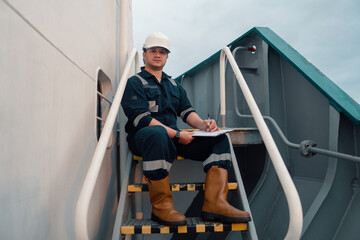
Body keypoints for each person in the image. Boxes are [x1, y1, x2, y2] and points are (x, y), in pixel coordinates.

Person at [121, 32, 251, 226]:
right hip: (145, 138)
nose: (158, 55)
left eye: (163, 52)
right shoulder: (135, 82)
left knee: (218, 138)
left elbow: (186, 112)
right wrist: (176, 134)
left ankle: (215, 203)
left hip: (173, 138)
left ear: (167, 56)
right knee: (157, 134)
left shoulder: (174, 85)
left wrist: (204, 125)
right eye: (154, 51)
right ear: (145, 53)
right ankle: (162, 207)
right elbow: (140, 118)